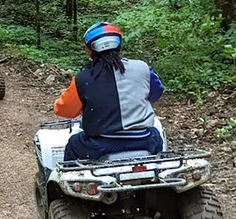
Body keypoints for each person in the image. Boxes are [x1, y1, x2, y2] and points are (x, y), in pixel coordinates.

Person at [53, 22, 165, 162]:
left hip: (100, 146)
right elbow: (156, 93)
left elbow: (65, 110)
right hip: (145, 140)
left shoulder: (83, 78)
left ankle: (71, 180)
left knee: (74, 144)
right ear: (119, 45)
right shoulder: (142, 68)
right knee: (157, 135)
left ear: (88, 50)